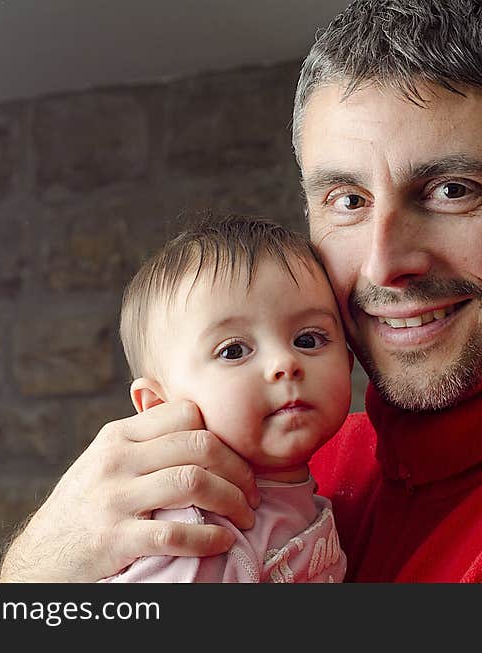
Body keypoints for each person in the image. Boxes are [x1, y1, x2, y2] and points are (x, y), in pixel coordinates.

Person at [0, 0, 482, 583]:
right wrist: (39, 571)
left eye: (451, 189)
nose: (383, 263)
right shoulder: (295, 457)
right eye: (346, 200)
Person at [104, 215, 350, 582]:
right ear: (159, 407)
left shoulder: (319, 490)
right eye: (234, 350)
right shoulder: (194, 534)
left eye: (308, 339)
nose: (285, 362)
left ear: (349, 358)